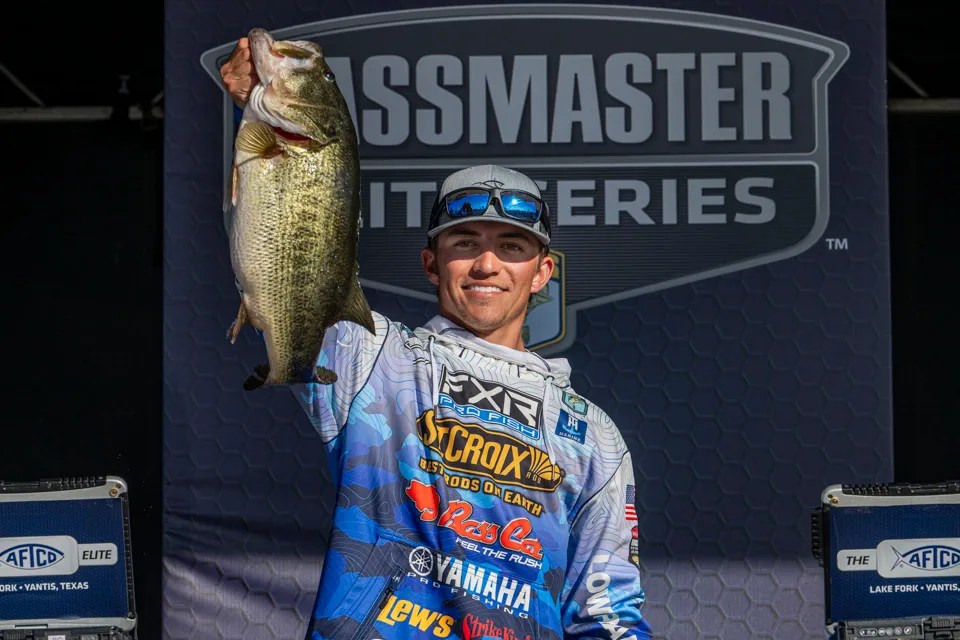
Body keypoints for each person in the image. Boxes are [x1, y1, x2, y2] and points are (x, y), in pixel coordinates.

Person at [220, 37, 654, 640]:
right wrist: (259, 106)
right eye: (464, 243)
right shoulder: (369, 360)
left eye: (511, 247)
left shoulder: (593, 438)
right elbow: (286, 256)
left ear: (542, 273)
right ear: (431, 263)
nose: (486, 264)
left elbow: (608, 614)